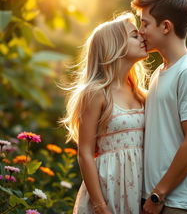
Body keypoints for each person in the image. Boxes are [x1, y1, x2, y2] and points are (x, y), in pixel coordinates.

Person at [131, 0, 187, 214]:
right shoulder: (160, 72)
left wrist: (159, 194)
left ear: (166, 26)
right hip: (157, 200)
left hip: (178, 203)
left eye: (145, 23)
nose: (141, 31)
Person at [61, 13, 148, 214]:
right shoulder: (96, 93)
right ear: (114, 46)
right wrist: (101, 207)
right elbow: (85, 153)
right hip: (108, 189)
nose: (142, 38)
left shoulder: (141, 93)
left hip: (138, 188)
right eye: (134, 36)